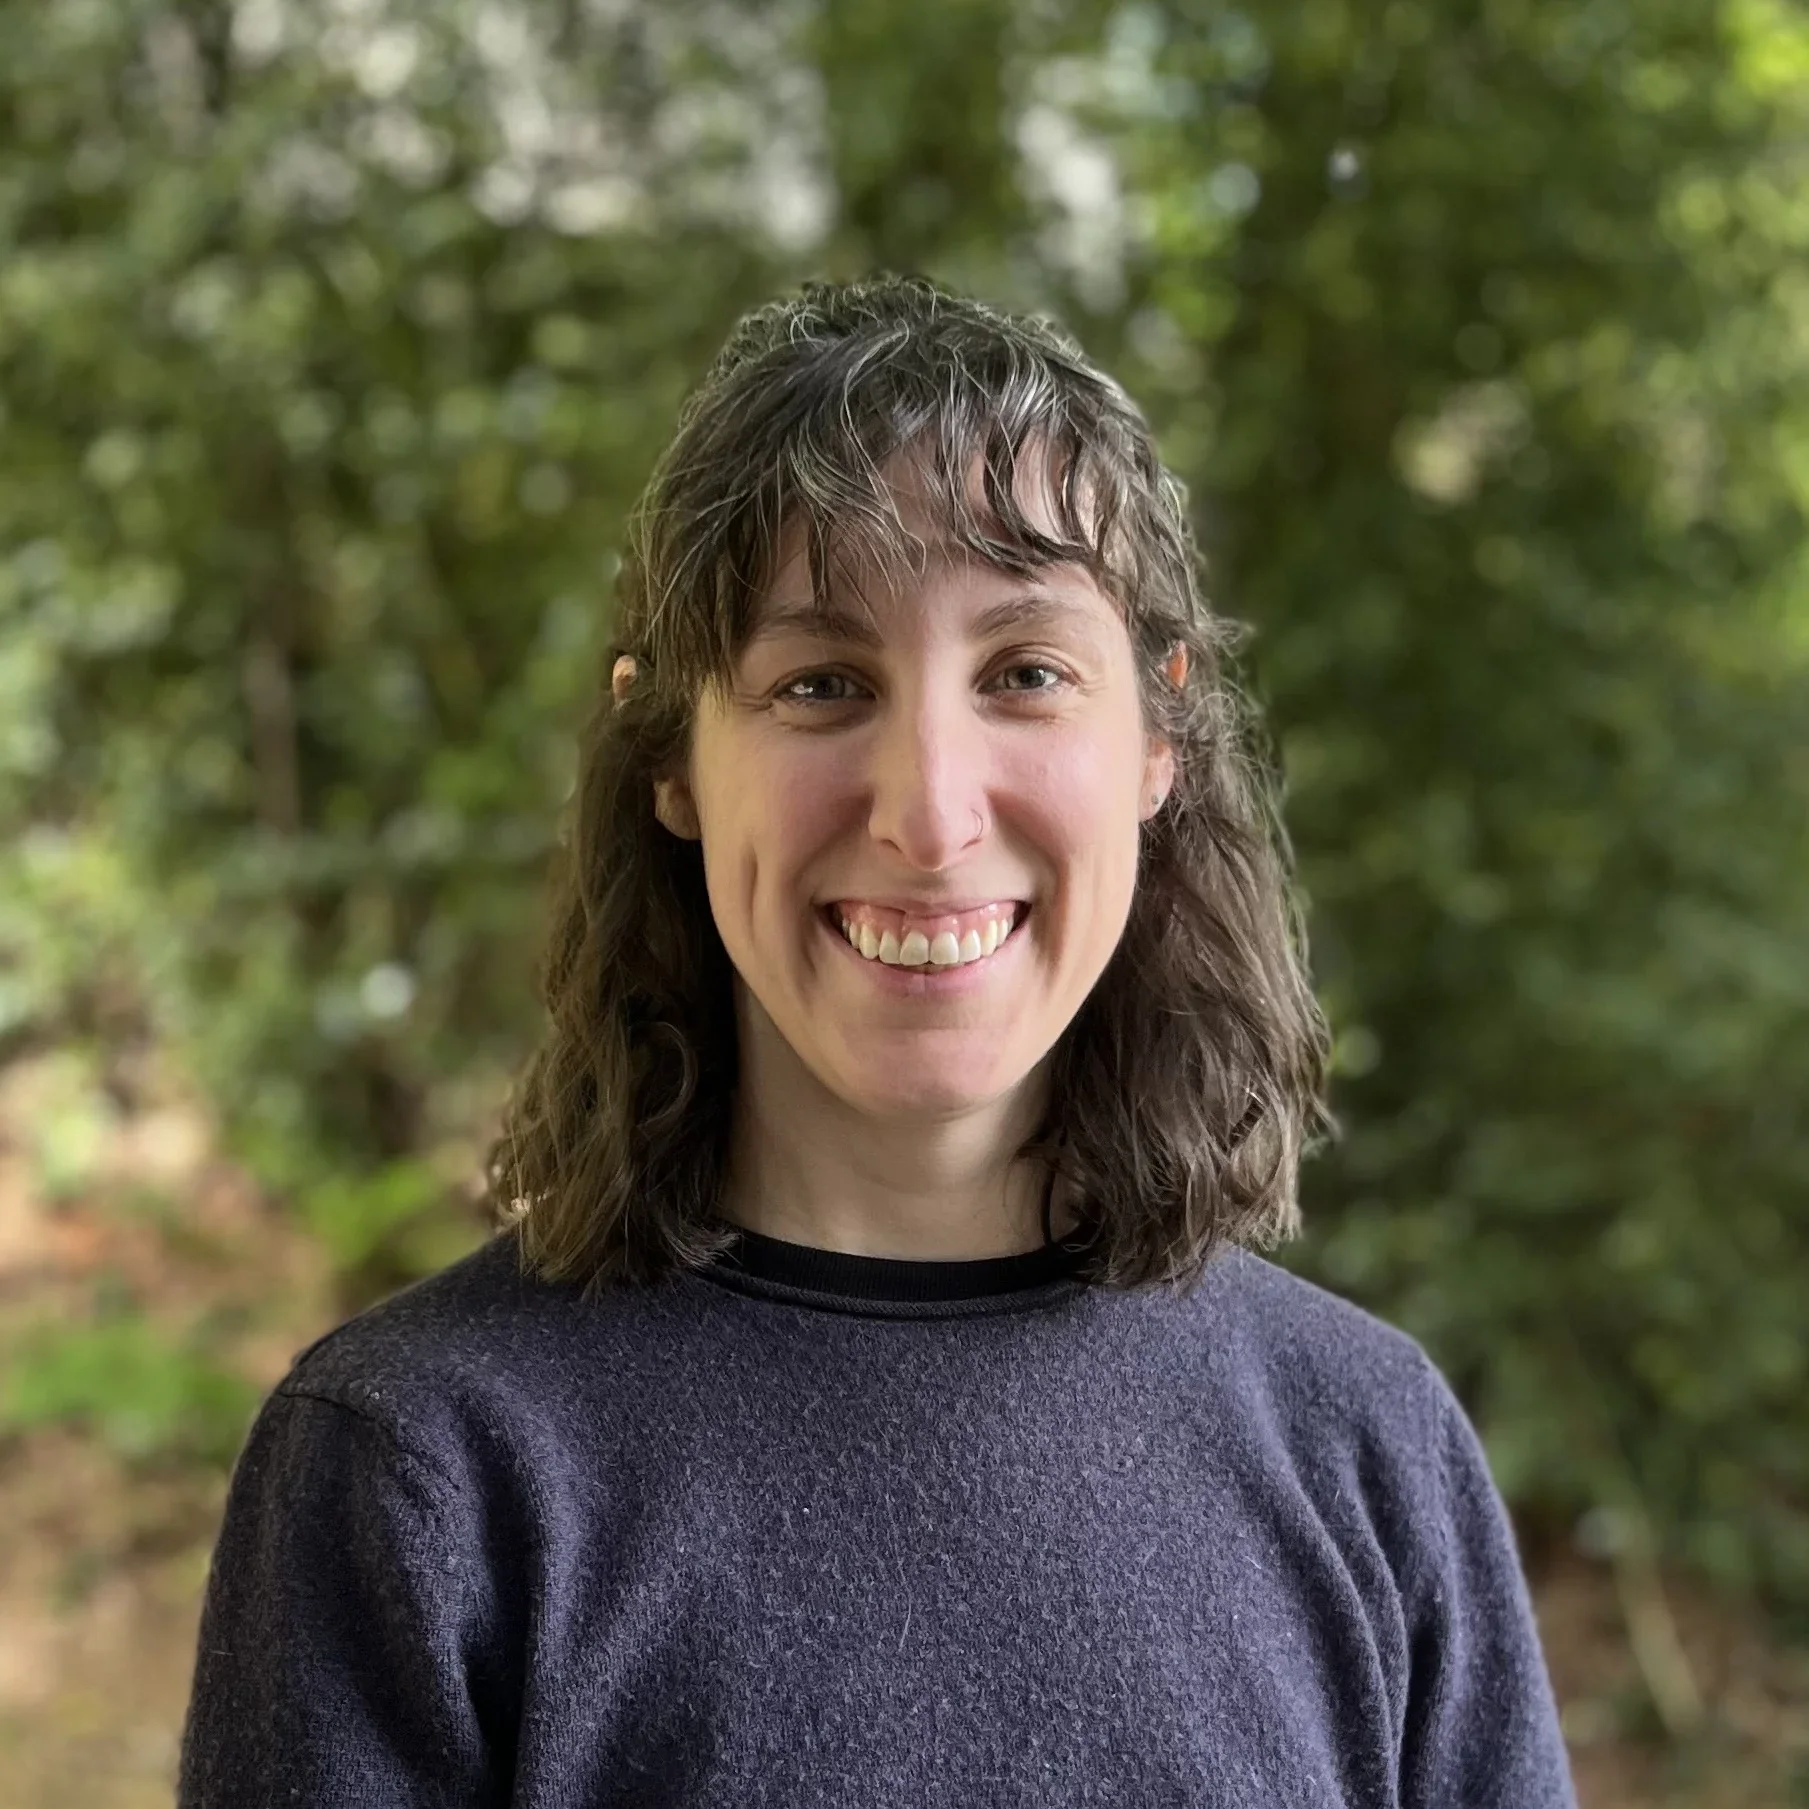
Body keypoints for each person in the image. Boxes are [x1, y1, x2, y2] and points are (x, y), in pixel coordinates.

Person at [177, 274, 1578, 1806]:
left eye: (1026, 674)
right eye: (822, 684)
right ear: (673, 761)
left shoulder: (1368, 1455)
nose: (927, 813)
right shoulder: (415, 1478)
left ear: (1158, 738)